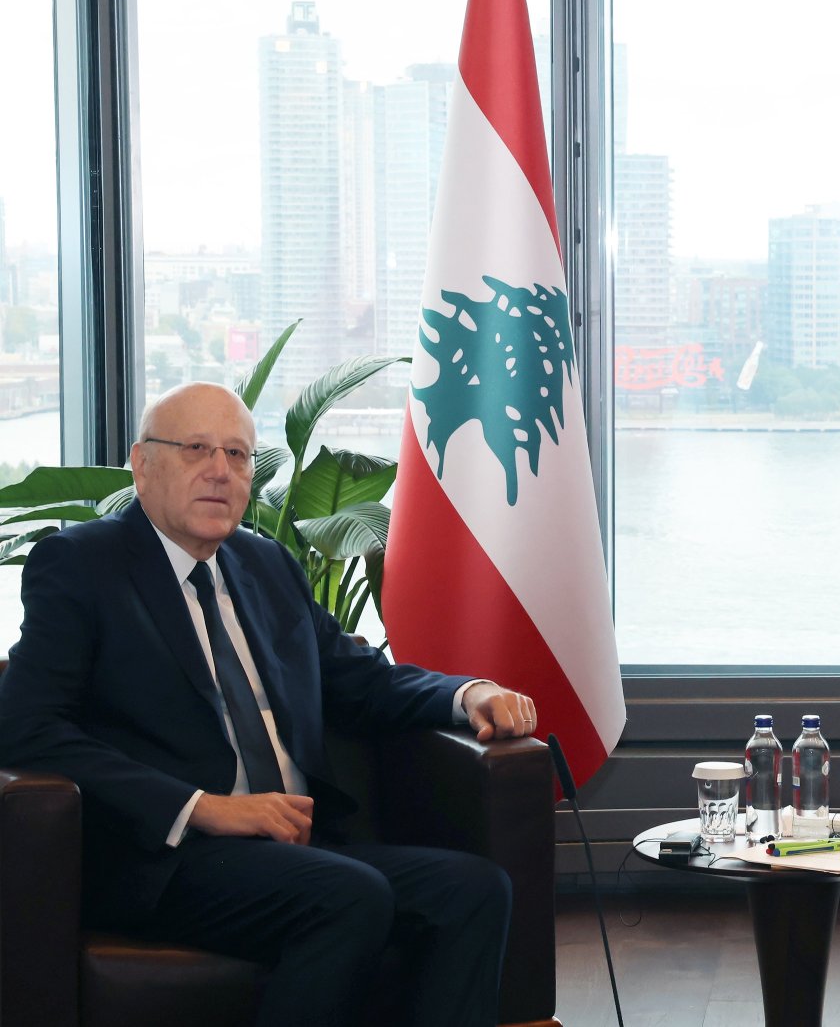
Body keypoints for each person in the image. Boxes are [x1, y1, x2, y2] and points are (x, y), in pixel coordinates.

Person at [0, 381, 539, 1027]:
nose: (220, 472)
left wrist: (465, 693)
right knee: (348, 895)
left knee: (474, 891)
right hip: (169, 859)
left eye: (236, 455)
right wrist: (204, 810)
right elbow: (26, 728)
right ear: (143, 465)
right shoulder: (84, 564)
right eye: (197, 449)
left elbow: (358, 678)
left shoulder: (267, 566)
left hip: (298, 846)